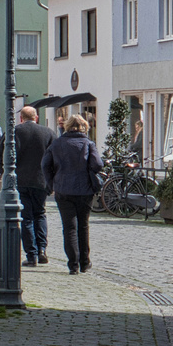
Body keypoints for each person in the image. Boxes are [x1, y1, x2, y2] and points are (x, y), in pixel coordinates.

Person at [43, 113, 104, 274]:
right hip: (85, 190)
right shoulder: (88, 143)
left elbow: (45, 165)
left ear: (67, 126)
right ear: (84, 127)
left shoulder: (57, 144)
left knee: (69, 227)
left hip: (63, 190)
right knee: (83, 226)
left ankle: (73, 265)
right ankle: (84, 262)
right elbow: (98, 164)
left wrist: (52, 183)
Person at [13, 107, 55, 266]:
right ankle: (42, 250)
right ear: (36, 117)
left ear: (21, 118)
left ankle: (31, 255)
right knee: (40, 214)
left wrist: (7, 173)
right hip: (41, 181)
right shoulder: (48, 133)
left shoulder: (15, 132)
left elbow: (1, 154)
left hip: (21, 180)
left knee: (27, 217)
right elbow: (55, 158)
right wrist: (52, 179)